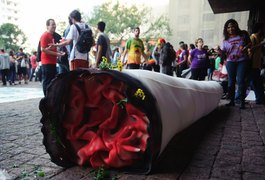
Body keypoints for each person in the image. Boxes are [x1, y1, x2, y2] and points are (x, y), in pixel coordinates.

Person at [219, 19, 251, 109]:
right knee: (231, 81)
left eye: (232, 26)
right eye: (228, 27)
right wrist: (219, 50)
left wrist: (245, 48)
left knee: (240, 81)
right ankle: (232, 101)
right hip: (230, 62)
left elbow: (250, 44)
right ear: (226, 29)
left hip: (242, 60)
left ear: (236, 26)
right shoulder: (225, 40)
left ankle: (241, 102)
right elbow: (223, 53)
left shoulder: (243, 34)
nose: (231, 29)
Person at [40, 18, 64, 96]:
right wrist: (57, 54)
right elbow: (43, 50)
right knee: (47, 81)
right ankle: (46, 98)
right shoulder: (45, 35)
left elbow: (51, 49)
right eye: (52, 24)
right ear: (47, 26)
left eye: (54, 24)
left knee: (51, 81)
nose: (54, 26)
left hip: (52, 62)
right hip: (47, 62)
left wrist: (58, 52)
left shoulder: (51, 36)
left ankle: (50, 98)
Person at [249, 22, 265, 104]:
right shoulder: (253, 37)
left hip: (257, 64)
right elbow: (250, 49)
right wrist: (261, 44)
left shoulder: (259, 38)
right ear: (259, 29)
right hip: (252, 64)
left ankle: (260, 98)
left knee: (257, 82)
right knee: (255, 82)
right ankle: (259, 99)